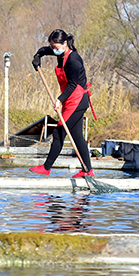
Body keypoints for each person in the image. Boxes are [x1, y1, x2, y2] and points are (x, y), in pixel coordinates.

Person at [29, 29, 95, 178]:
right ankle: (88, 171)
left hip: (77, 100)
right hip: (71, 99)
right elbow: (45, 50)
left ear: (65, 43)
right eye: (53, 47)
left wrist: (59, 100)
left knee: (59, 132)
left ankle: (46, 167)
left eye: (56, 47)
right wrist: (37, 56)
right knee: (77, 136)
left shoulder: (73, 60)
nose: (54, 50)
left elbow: (72, 85)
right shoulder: (61, 52)